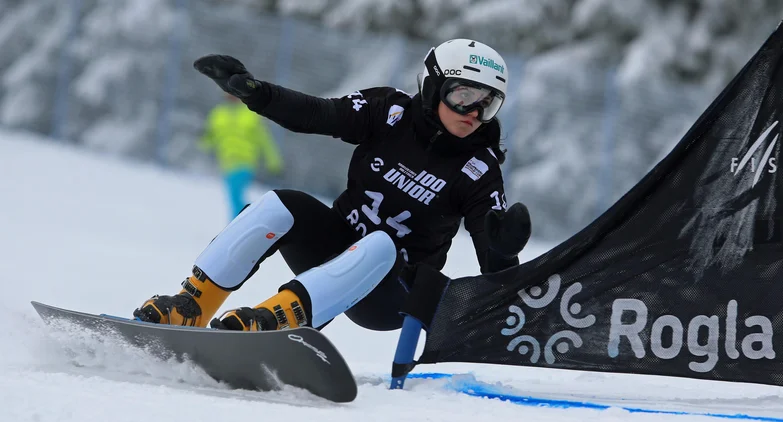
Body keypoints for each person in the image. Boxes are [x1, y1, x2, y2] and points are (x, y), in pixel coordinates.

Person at [132, 38, 532, 333]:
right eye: (464, 96)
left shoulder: (479, 167)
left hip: (391, 291)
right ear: (432, 87)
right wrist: (257, 94)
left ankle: (275, 323)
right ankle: (192, 305)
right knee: (280, 204)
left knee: (381, 243)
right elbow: (318, 114)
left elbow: (497, 280)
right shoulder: (389, 112)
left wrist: (502, 250)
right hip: (333, 249)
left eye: (489, 103)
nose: (475, 113)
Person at [200, 92, 284, 220]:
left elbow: (265, 140)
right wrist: (202, 141)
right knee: (234, 197)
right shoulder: (218, 114)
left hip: (246, 162)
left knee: (235, 197)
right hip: (226, 163)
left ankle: (238, 224)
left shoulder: (250, 114)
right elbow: (209, 138)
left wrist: (274, 162)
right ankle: (245, 222)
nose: (231, 96)